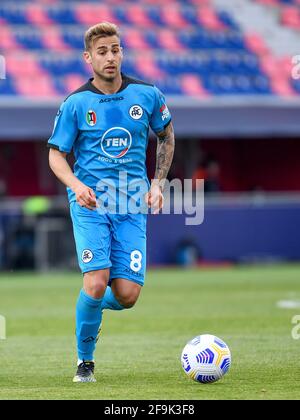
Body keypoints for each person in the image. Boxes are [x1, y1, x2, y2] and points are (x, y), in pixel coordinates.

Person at [48, 22, 175, 382]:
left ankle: (87, 307)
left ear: (122, 53)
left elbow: (166, 137)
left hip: (132, 204)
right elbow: (56, 155)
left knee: (127, 295)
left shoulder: (147, 95)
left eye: (115, 49)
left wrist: (158, 184)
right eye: (102, 51)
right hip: (90, 204)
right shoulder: (76, 103)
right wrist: (75, 184)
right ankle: (84, 362)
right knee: (95, 281)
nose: (110, 57)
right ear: (88, 58)